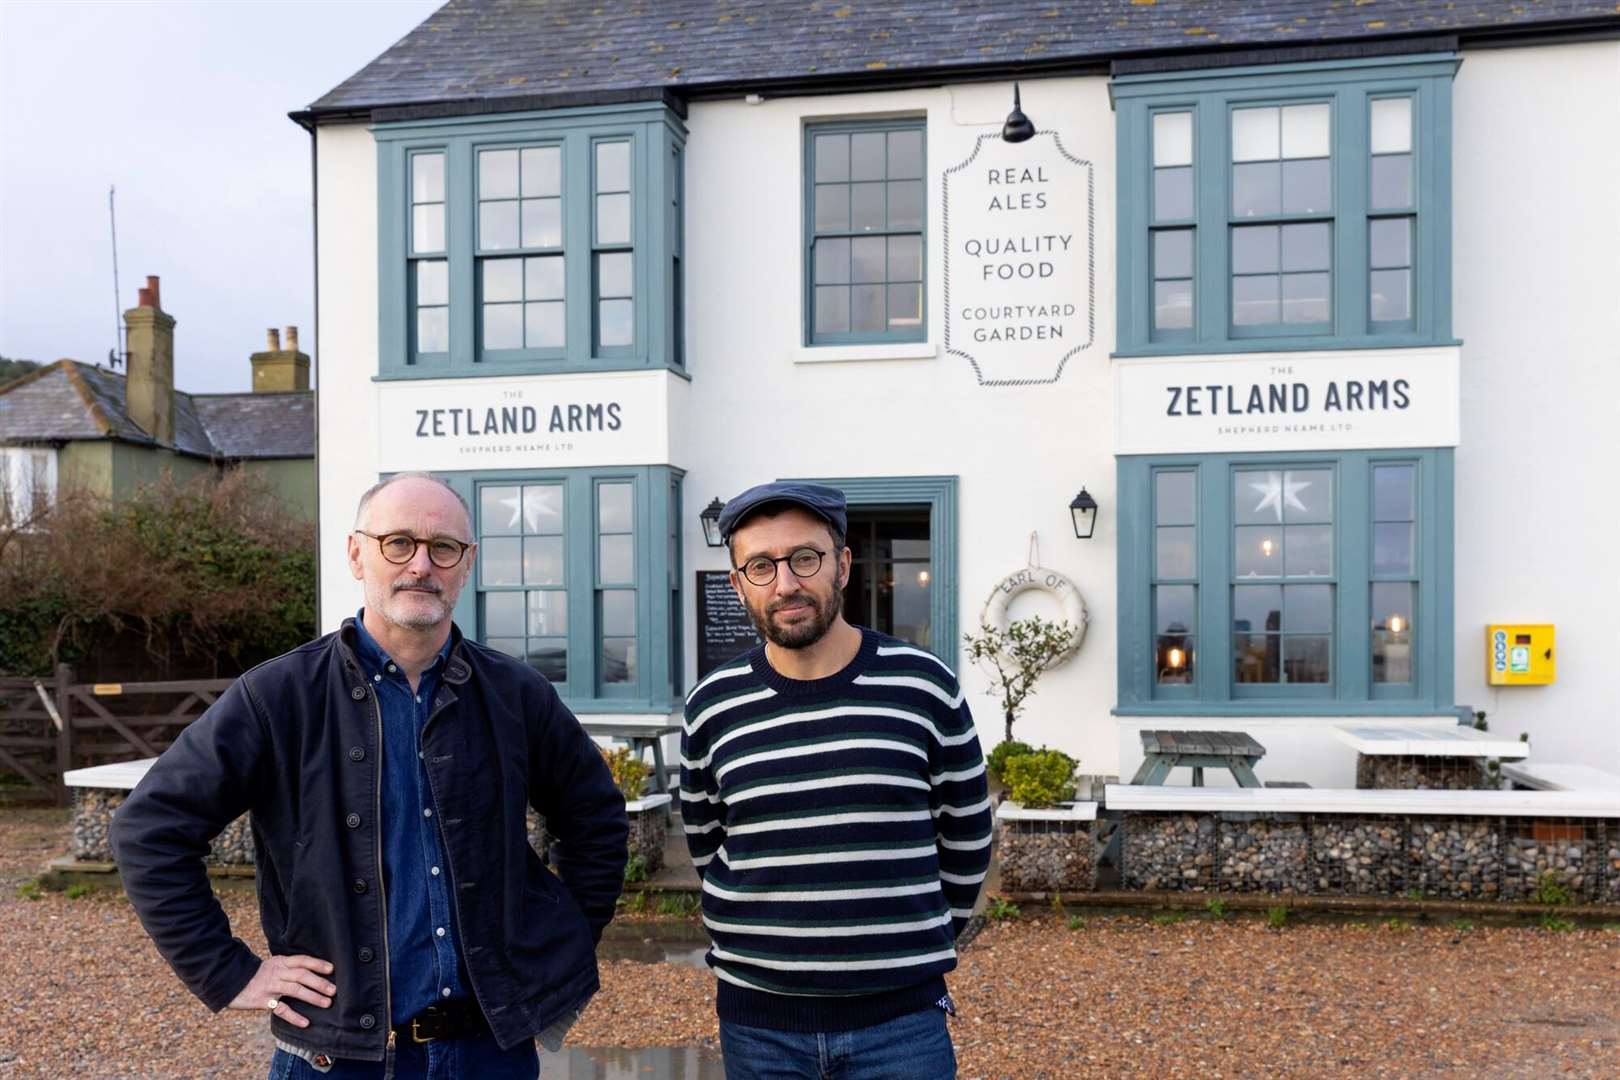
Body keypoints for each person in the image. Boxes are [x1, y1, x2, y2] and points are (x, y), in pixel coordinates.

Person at [111, 472, 628, 1079]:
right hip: (334, 1057)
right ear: (357, 553)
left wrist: (555, 943)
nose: (421, 565)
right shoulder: (279, 696)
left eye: (444, 548)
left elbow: (595, 820)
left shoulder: (516, 694)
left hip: (490, 1052)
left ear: (467, 565)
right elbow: (148, 829)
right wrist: (229, 971)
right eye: (398, 543)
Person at [680, 482, 992, 1080]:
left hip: (901, 1023)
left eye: (804, 558)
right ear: (738, 584)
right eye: (760, 566)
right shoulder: (712, 706)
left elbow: (967, 833)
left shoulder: (923, 687)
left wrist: (909, 947)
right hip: (760, 1026)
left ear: (842, 564)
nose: (786, 583)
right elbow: (708, 844)